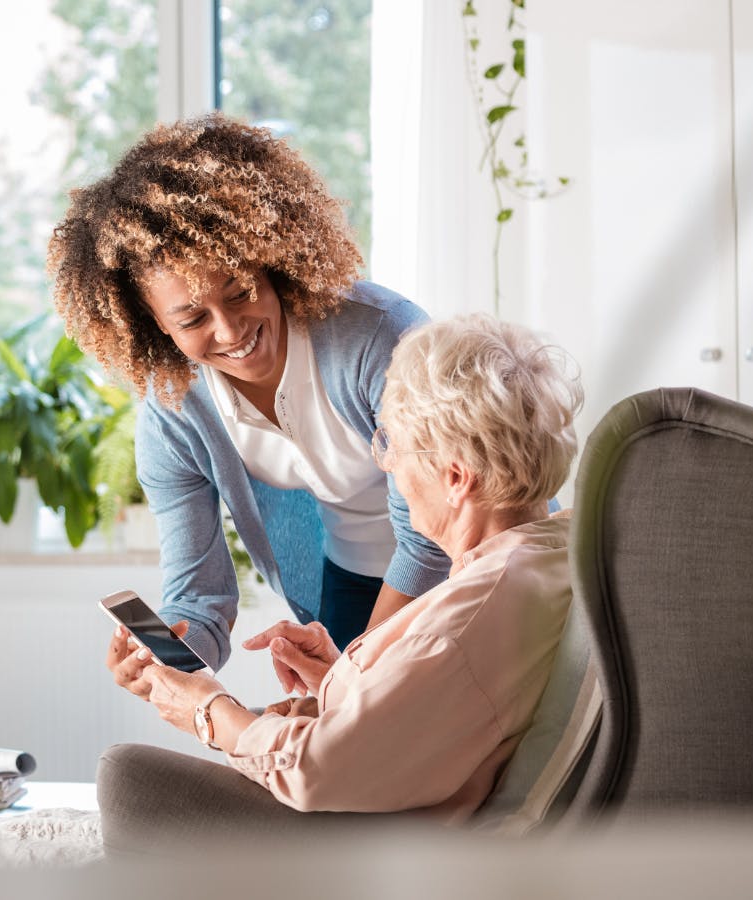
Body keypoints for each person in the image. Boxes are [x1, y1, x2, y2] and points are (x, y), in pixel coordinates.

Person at [106, 313, 584, 817]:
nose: (389, 466)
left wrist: (205, 708)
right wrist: (342, 679)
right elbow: (439, 713)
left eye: (391, 444)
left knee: (126, 774)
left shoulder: (462, 621)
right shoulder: (547, 556)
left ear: (456, 478)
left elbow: (317, 769)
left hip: (378, 838)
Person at [49, 113, 448, 670]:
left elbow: (435, 531)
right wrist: (170, 661)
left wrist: (355, 673)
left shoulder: (378, 336)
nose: (231, 331)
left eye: (240, 292)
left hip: (462, 567)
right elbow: (200, 597)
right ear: (152, 322)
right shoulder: (175, 413)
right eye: (192, 320)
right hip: (353, 585)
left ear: (269, 262)